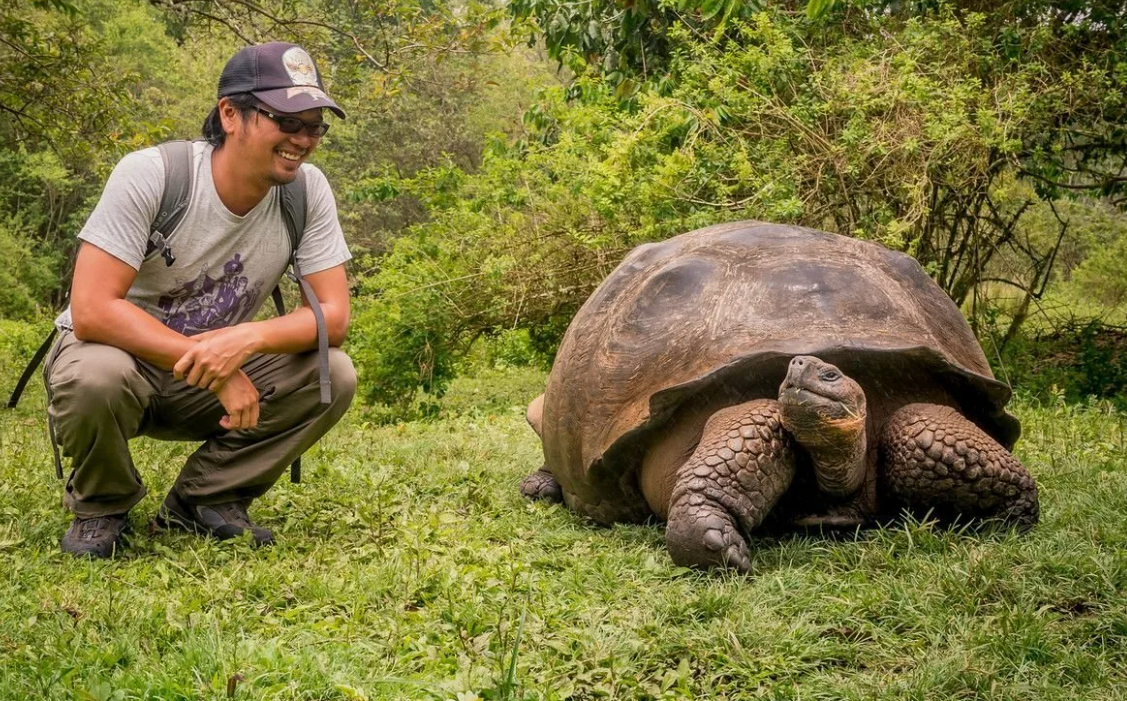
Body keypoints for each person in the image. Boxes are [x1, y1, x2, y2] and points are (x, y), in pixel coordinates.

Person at [46, 42, 357, 558]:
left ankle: (204, 499)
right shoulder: (155, 174)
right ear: (230, 114)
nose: (302, 140)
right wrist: (216, 368)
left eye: (314, 126)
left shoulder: (306, 192)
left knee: (335, 373)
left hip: (205, 377)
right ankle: (102, 503)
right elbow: (92, 310)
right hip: (123, 361)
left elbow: (334, 316)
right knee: (94, 376)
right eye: (286, 121)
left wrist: (245, 340)